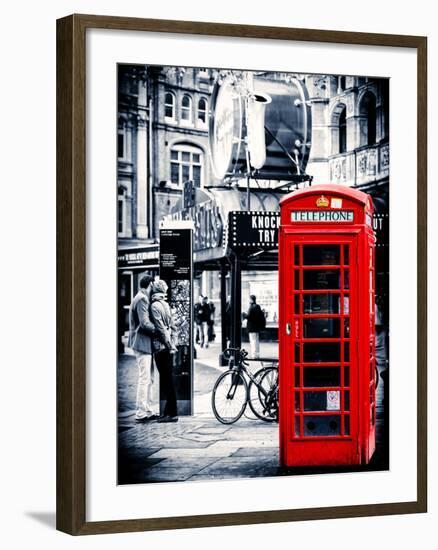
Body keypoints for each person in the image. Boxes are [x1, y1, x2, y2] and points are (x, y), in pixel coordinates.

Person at [128, 274, 159, 422]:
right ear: (150, 284)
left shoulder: (140, 297)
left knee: (149, 379)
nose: (153, 288)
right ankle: (141, 412)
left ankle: (147, 410)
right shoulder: (142, 299)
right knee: (145, 378)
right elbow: (145, 323)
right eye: (153, 285)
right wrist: (158, 330)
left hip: (144, 344)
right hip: (141, 343)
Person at [150, 279, 179, 423]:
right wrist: (173, 343)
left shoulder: (155, 305)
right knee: (168, 379)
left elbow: (161, 328)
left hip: (161, 348)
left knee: (167, 380)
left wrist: (169, 345)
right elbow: (173, 326)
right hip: (168, 347)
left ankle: (172, 413)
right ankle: (168, 412)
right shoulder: (166, 305)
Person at [244, 295, 266, 359]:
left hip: (251, 327)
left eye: (249, 299)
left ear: (251, 300)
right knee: (256, 341)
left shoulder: (251, 307)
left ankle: (254, 355)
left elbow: (249, 316)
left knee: (252, 341)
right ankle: (257, 354)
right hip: (257, 327)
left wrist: (244, 315)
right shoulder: (258, 306)